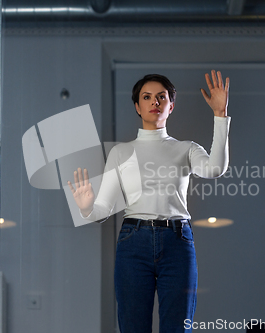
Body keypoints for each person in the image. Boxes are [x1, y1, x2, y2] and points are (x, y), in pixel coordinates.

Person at [68, 70, 231, 333]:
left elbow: (215, 169)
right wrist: (86, 207)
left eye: (161, 97)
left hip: (177, 242)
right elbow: (103, 210)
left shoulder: (186, 148)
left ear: (171, 105)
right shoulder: (121, 152)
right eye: (147, 97)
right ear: (137, 106)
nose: (154, 102)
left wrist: (220, 115)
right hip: (134, 242)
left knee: (178, 327)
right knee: (133, 327)